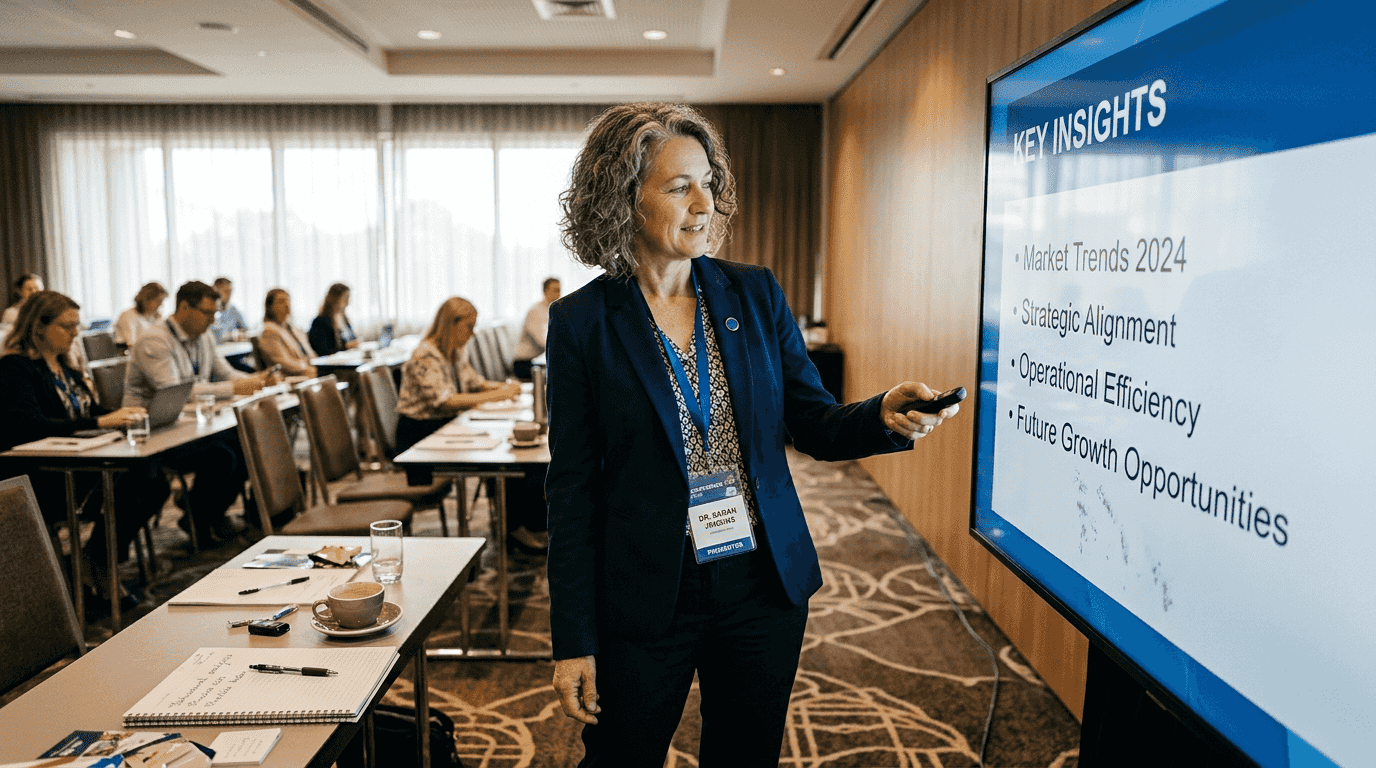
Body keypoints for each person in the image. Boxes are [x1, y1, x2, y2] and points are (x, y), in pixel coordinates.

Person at [545, 103, 961, 766]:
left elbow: (813, 422)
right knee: (623, 753)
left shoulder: (754, 294)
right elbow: (570, 492)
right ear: (625, 200)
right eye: (679, 186)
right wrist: (573, 637)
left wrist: (880, 413)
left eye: (708, 182)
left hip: (760, 583)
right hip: (648, 589)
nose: (705, 203)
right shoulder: (581, 324)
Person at [0, 290, 169, 607]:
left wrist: (122, 418)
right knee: (137, 483)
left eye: (77, 325)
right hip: (40, 474)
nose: (76, 332)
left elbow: (89, 411)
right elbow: (29, 426)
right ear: (38, 327)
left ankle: (96, 557)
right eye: (67, 326)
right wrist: (103, 422)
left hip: (78, 465)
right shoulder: (15, 369)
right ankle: (98, 563)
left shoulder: (66, 366)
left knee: (153, 479)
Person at [123, 280, 274, 542]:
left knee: (249, 442)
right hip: (152, 434)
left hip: (189, 427)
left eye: (215, 313)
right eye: (208, 313)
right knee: (222, 457)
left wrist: (257, 380)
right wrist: (237, 387)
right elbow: (177, 391)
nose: (213, 320)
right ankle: (198, 517)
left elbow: (224, 374)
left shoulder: (203, 337)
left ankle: (206, 514)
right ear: (184, 307)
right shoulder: (154, 340)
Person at [396, 297, 547, 551]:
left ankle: (527, 525)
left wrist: (508, 388)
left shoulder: (454, 351)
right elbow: (445, 400)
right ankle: (516, 528)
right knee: (509, 462)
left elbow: (475, 382)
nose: (472, 333)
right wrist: (497, 394)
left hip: (443, 427)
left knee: (518, 455)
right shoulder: (426, 354)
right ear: (451, 325)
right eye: (469, 326)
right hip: (420, 437)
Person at [258, 288, 318, 377]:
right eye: (281, 301)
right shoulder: (268, 331)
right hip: (290, 375)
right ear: (270, 307)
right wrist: (307, 366)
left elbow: (310, 353)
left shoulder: (293, 328)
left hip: (308, 369)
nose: (287, 304)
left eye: (288, 300)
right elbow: (283, 363)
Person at [512, 277, 561, 379]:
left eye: (559, 290)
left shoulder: (551, 310)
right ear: (545, 291)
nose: (559, 294)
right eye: (555, 290)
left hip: (537, 361)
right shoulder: (536, 311)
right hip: (525, 363)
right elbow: (544, 342)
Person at [308, 282, 359, 356]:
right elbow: (323, 350)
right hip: (332, 364)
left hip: (348, 358)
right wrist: (346, 346)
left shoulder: (344, 319)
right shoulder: (320, 322)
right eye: (345, 298)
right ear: (334, 298)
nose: (348, 302)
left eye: (348, 298)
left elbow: (353, 338)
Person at [113, 281, 168, 347]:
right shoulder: (128, 315)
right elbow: (132, 344)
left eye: (162, 301)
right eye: (157, 301)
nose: (160, 305)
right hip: (130, 353)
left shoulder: (155, 316)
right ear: (146, 299)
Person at [209, 277, 249, 343]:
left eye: (231, 291)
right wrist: (231, 336)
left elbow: (246, 329)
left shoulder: (233, 310)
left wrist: (239, 335)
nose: (229, 294)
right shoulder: (208, 311)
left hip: (230, 349)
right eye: (226, 291)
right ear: (215, 290)